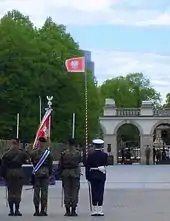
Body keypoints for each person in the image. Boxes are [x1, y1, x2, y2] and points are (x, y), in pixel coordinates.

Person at [1, 138, 30, 216]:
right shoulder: (21, 153)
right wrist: (26, 151)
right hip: (18, 173)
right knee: (18, 192)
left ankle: (11, 210)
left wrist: (3, 175)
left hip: (9, 173)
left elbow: (3, 165)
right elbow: (27, 161)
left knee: (10, 192)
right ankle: (17, 210)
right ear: (18, 143)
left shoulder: (6, 153)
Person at [58, 138, 81, 216]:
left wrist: (60, 173)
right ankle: (73, 210)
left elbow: (60, 165)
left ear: (68, 143)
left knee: (67, 191)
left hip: (66, 172)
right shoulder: (78, 153)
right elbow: (79, 162)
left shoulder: (64, 153)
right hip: (75, 173)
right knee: (75, 191)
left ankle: (67, 210)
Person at [30, 137, 53, 216]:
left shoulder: (33, 153)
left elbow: (32, 162)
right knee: (44, 192)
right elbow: (50, 164)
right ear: (44, 143)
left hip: (37, 173)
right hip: (45, 172)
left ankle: (36, 210)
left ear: (38, 143)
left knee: (36, 192)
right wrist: (49, 173)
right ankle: (43, 210)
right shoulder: (48, 153)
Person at [85, 138, 108, 216]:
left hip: (93, 174)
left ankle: (94, 209)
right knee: (100, 191)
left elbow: (87, 166)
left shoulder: (91, 155)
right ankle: (100, 209)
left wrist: (87, 177)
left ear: (94, 146)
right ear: (101, 146)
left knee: (94, 191)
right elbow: (106, 164)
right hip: (101, 174)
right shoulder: (104, 155)